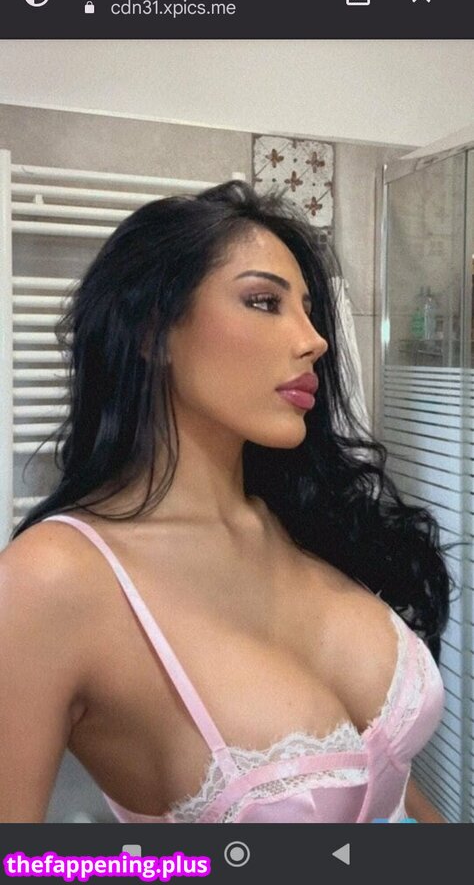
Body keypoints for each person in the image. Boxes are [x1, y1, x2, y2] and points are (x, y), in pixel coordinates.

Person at [1, 179, 456, 824]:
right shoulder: (52, 579)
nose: (315, 340)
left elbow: (390, 788)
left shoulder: (308, 520)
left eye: (308, 311)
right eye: (264, 302)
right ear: (152, 332)